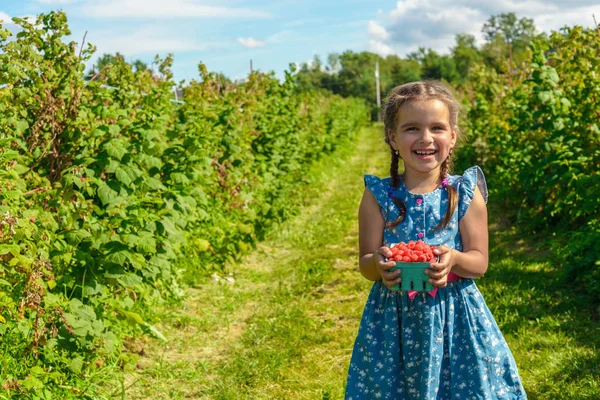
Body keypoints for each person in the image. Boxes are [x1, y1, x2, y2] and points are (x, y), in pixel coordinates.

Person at [344, 81, 527, 399]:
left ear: (452, 136)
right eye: (412, 128)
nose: (426, 138)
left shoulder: (463, 194)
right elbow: (365, 263)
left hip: (453, 316)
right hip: (394, 320)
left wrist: (455, 259)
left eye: (437, 128)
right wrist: (379, 263)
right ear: (393, 137)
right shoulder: (378, 197)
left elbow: (479, 262)